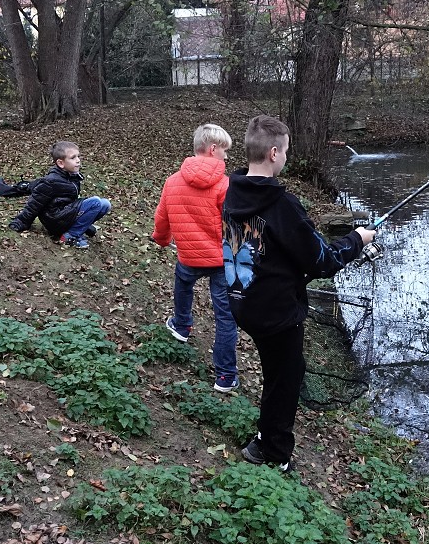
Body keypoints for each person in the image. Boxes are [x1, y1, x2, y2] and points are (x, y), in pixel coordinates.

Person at [222, 115, 375, 471]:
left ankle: (266, 436)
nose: (287, 157)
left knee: (279, 370)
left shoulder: (234, 191)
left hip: (244, 302)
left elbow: (265, 250)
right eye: (287, 151)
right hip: (275, 312)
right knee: (286, 376)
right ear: (274, 153)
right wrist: (358, 239)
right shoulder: (282, 205)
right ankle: (273, 452)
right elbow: (321, 260)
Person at [152, 123, 238, 392]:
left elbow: (162, 217)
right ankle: (225, 375)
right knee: (225, 316)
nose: (226, 156)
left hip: (189, 255)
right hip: (220, 262)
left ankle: (181, 324)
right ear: (213, 149)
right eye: (224, 150)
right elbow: (234, 225)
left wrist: (162, 239)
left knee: (183, 281)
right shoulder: (225, 185)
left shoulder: (172, 181)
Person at [8, 140, 110, 248]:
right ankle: (70, 236)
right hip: (55, 219)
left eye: (78, 156)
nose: (78, 160)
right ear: (61, 163)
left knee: (105, 204)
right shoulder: (51, 181)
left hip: (65, 214)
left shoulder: (71, 176)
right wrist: (21, 221)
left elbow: (70, 202)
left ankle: (79, 229)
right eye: (73, 158)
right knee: (95, 202)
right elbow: (34, 203)